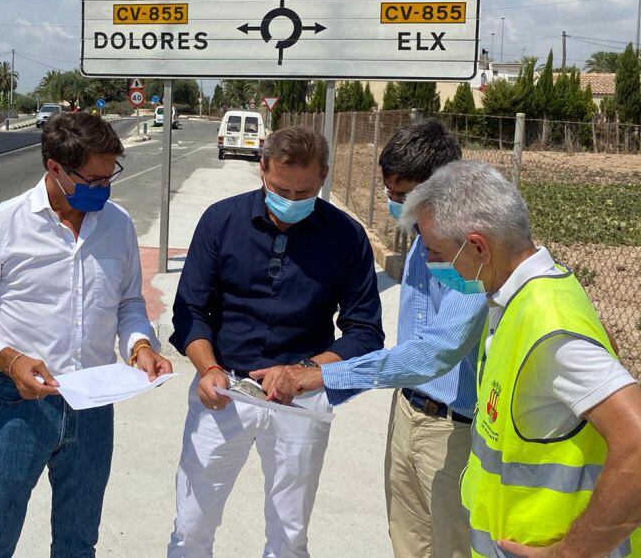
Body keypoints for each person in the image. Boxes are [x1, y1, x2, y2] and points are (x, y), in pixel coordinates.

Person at [0, 112, 171, 558]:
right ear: (54, 168)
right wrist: (10, 359)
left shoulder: (117, 224)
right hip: (19, 405)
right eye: (92, 179)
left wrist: (140, 345)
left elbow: (128, 303)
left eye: (110, 178)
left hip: (93, 406)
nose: (103, 189)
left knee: (78, 543)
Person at [167, 126, 385, 558]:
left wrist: (304, 373)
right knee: (191, 524)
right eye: (280, 189)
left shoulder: (347, 237)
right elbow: (190, 310)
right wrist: (208, 370)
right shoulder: (221, 221)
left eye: (304, 192)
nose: (290, 202)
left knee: (289, 535)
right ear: (262, 168)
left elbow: (365, 332)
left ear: (323, 176)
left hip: (300, 403)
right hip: (223, 391)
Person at [404, 160, 641, 557]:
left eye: (436, 252)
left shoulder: (546, 323)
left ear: (478, 247)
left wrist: (570, 553)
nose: (430, 265)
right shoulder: (522, 298)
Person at [276, 120, 484, 558]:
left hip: (454, 431)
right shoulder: (419, 238)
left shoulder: (472, 252)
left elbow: (436, 353)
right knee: (407, 543)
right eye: (389, 194)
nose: (394, 206)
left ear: (442, 187)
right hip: (409, 412)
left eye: (403, 197)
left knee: (452, 547)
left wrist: (323, 374)